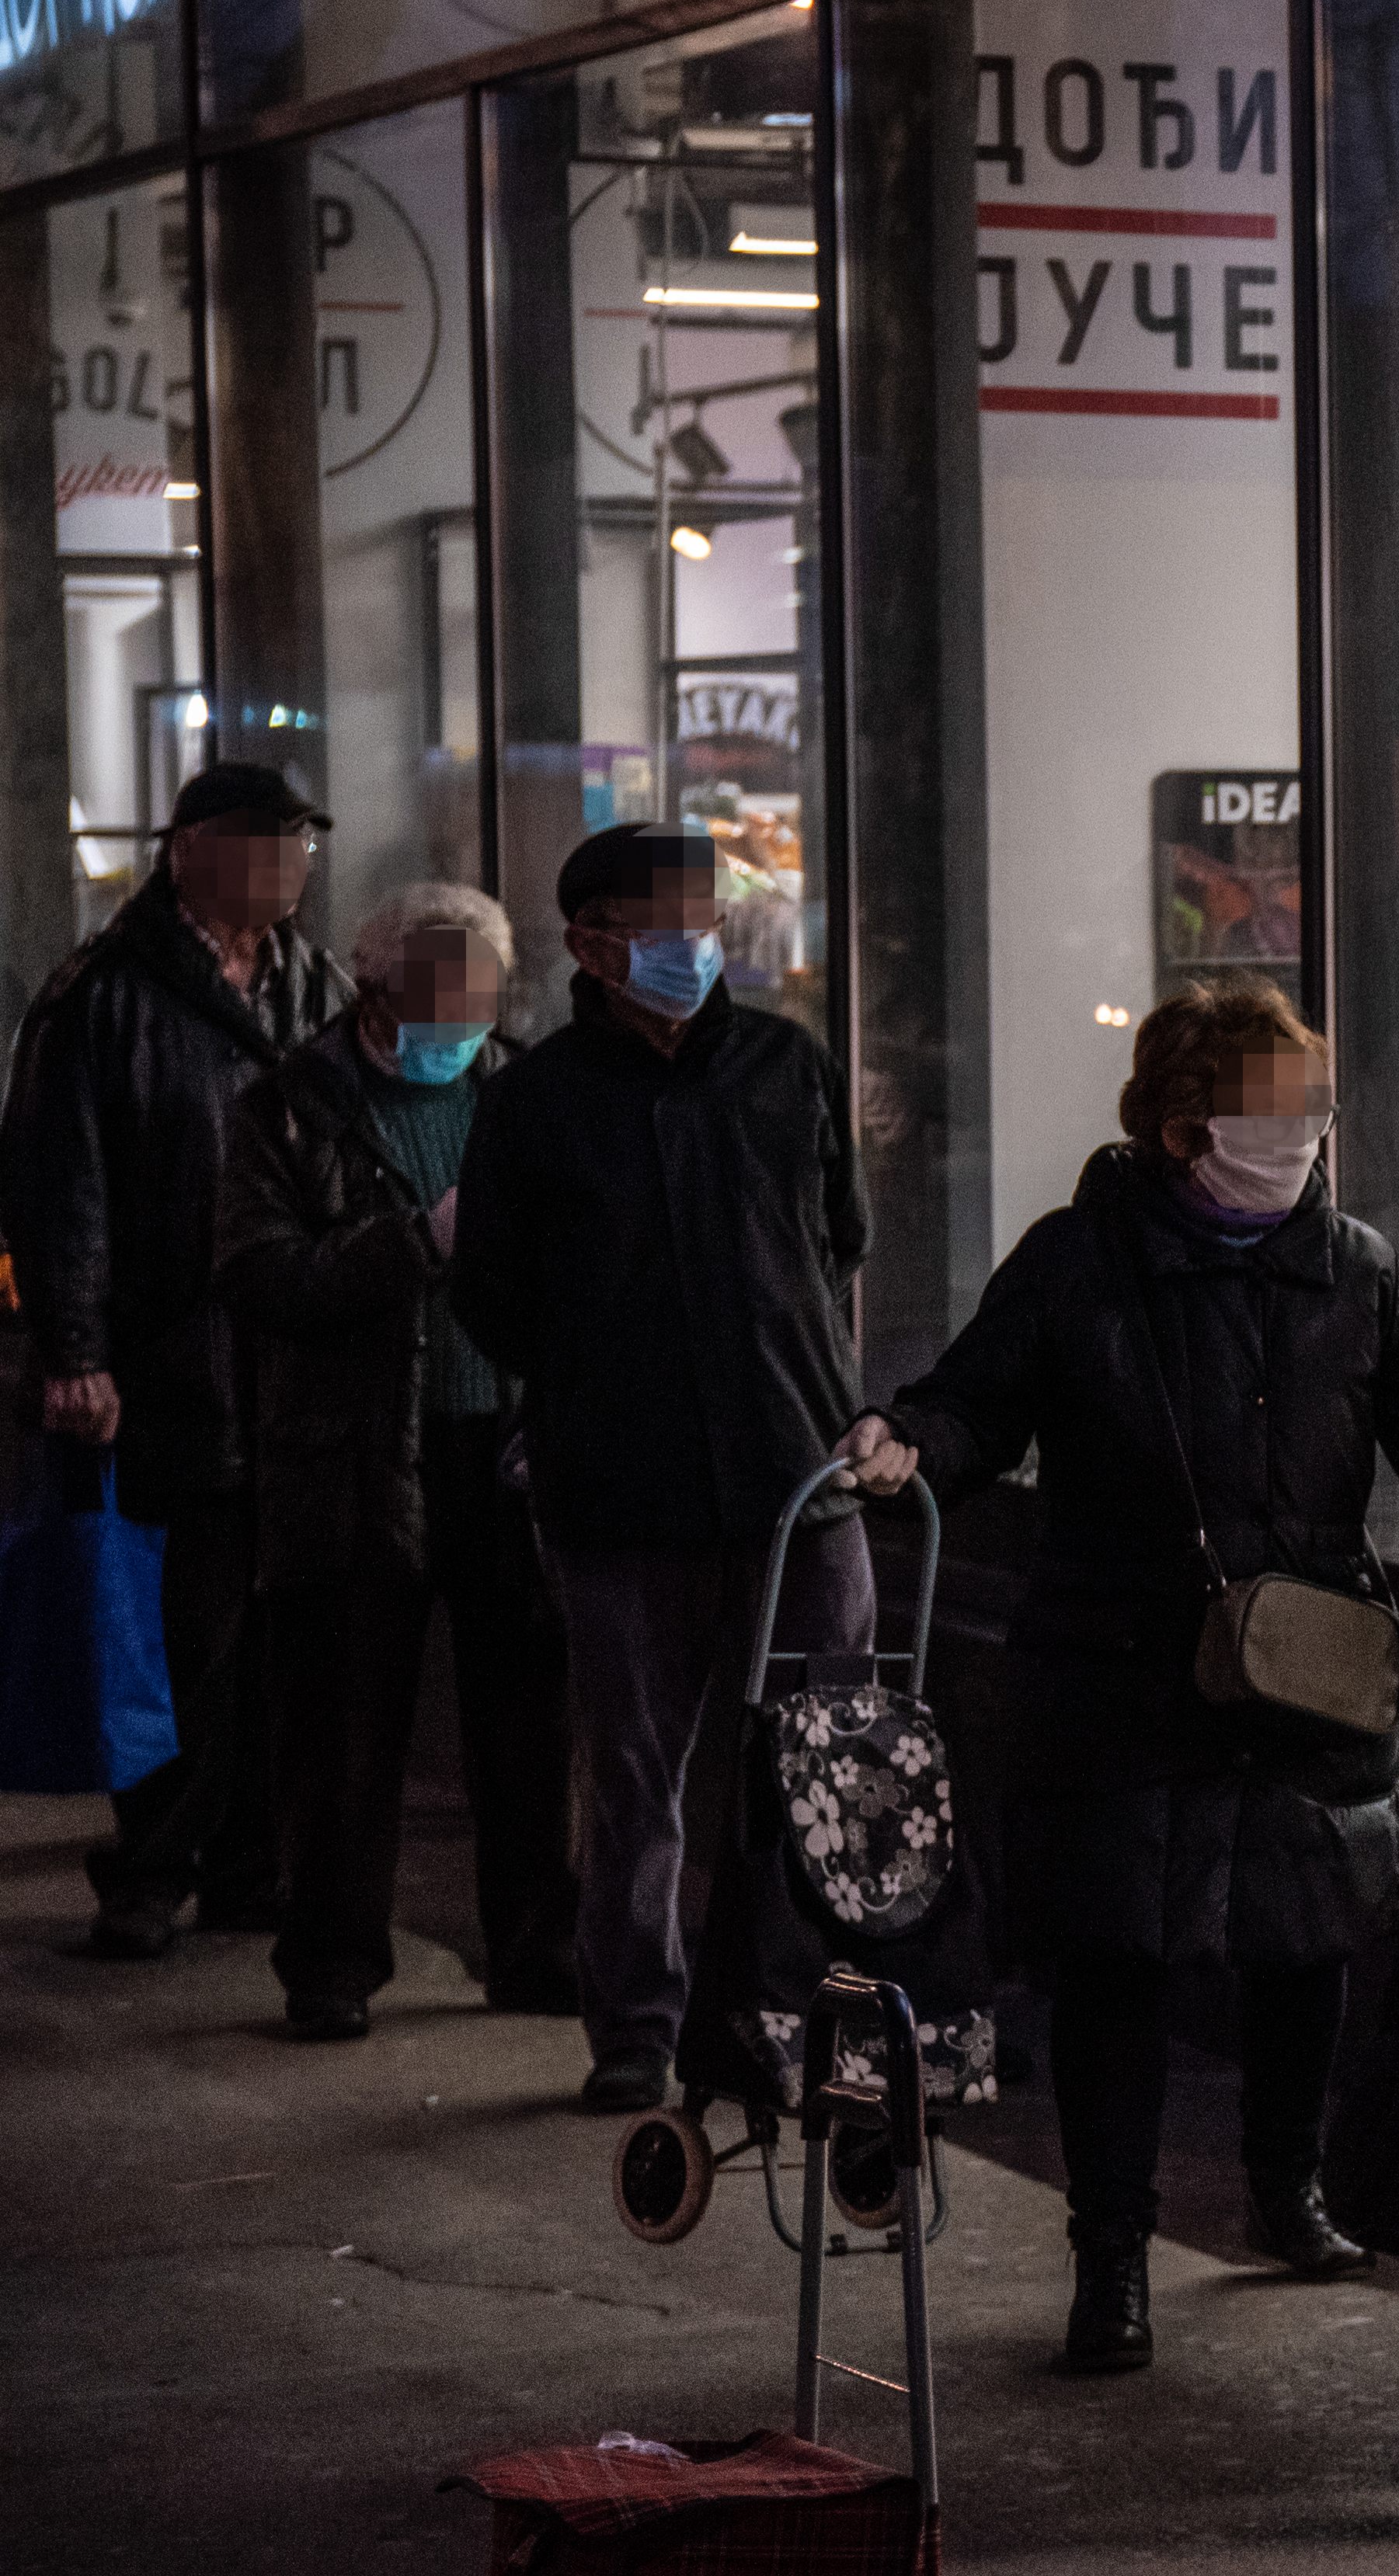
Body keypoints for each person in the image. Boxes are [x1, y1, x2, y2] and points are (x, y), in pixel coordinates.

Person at [833, 978, 1399, 2374]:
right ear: (1182, 1130)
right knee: (1114, 1974)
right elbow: (978, 1400)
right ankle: (1111, 2258)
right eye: (1271, 1113)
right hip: (1117, 1676)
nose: (1302, 1139)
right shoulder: (1076, 1263)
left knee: (1309, 1948)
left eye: (1312, 1112)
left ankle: (1292, 2190)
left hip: (1307, 1682)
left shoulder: (1347, 1266)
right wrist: (908, 1441)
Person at [451, 822, 869, 2115]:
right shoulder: (537, 1098)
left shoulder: (784, 1064)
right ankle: (635, 2023)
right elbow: (491, 1296)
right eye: (662, 918)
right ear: (589, 942)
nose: (694, 939)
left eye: (704, 913)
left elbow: (838, 1239)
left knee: (827, 1758)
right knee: (634, 1775)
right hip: (618, 1494)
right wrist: (599, 1377)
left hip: (793, 1475)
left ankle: (816, 2006)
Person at [0, 760, 350, 1959]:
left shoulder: (317, 983)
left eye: (301, 842)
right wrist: (75, 1350)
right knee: (179, 1626)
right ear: (189, 848)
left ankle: (252, 1864)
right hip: (170, 1356)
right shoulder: (101, 995)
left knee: (276, 1627)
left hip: (294, 1354)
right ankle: (150, 1867)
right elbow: (61, 1188)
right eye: (268, 840)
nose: (293, 864)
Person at [216, 881, 574, 2039]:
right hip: (356, 1451)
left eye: (482, 989)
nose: (463, 1010)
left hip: (504, 1446)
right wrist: (418, 1242)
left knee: (524, 1721)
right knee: (343, 1727)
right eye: (440, 987)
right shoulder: (287, 1109)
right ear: (376, 988)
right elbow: (268, 1278)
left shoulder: (522, 1091)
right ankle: (330, 1964)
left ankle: (534, 1949)